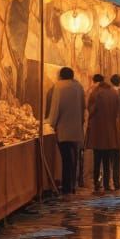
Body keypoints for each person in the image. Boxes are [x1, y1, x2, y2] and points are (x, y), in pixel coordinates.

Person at [47, 66, 85, 197]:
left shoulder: (59, 86)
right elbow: (82, 107)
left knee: (66, 159)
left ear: (61, 75)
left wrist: (50, 123)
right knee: (74, 158)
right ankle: (72, 185)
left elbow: (56, 107)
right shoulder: (79, 87)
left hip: (63, 128)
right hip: (76, 128)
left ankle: (67, 187)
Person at [88, 74, 120, 193]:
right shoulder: (114, 93)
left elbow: (91, 110)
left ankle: (97, 184)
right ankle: (107, 184)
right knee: (107, 160)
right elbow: (118, 111)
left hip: (98, 132)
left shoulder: (96, 93)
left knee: (97, 160)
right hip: (111, 132)